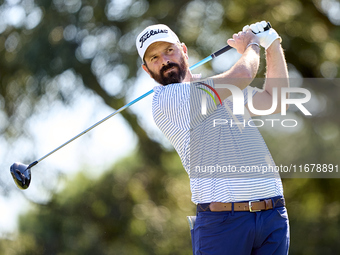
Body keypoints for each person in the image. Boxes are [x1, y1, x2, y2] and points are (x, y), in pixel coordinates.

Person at [136, 21, 289, 255]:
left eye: (169, 50)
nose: (165, 61)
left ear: (183, 51)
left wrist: (273, 43)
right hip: (223, 224)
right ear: (147, 69)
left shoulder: (217, 87)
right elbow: (244, 74)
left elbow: (276, 101)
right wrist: (252, 44)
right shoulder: (168, 100)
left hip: (273, 216)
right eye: (154, 58)